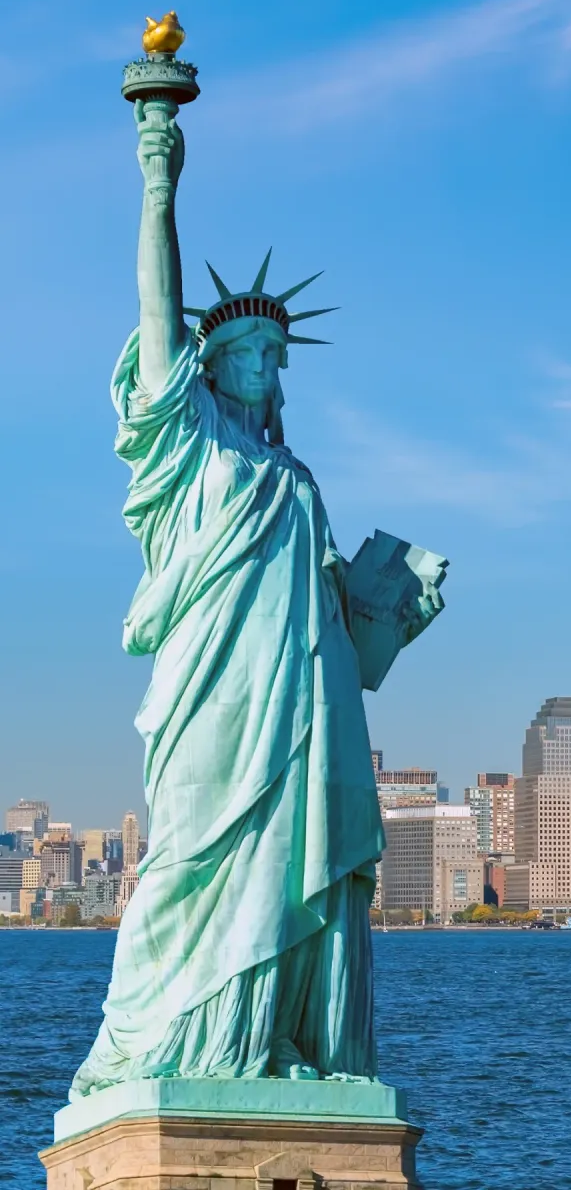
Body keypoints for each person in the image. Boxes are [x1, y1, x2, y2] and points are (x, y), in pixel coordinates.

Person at [72, 95, 385, 1097]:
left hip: (304, 706)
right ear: (210, 368)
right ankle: (163, 1046)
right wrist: (159, 184)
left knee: (298, 859)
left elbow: (335, 613)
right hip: (215, 694)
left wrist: (389, 603)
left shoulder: (295, 479)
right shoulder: (190, 448)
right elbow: (156, 320)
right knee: (193, 856)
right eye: (241, 352)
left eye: (271, 356)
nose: (258, 364)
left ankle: (276, 1045)